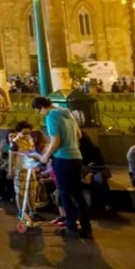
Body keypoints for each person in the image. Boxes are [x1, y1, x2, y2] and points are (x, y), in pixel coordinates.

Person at [31, 96, 91, 239]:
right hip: (76, 157)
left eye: (38, 111)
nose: (40, 114)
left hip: (63, 159)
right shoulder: (67, 114)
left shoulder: (51, 117)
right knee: (78, 194)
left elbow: (55, 141)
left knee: (64, 194)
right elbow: (79, 134)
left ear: (42, 107)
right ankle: (86, 228)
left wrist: (46, 156)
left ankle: (71, 227)